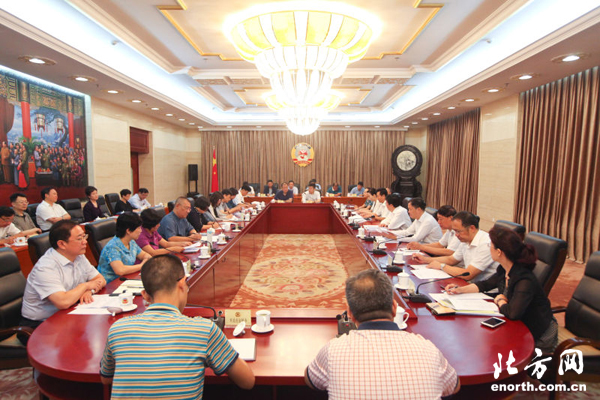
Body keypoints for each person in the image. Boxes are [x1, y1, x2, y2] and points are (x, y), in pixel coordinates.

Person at [100, 254, 255, 397]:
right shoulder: (203, 330)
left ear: (145, 295)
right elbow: (247, 381)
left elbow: (106, 379)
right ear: (182, 283)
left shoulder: (117, 329)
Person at [305, 269, 459, 399]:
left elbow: (311, 380)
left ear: (350, 314)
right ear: (394, 308)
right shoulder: (428, 349)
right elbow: (454, 387)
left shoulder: (334, 350)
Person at [445, 227, 558, 353]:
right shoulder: (505, 268)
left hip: (538, 335)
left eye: (490, 245)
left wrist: (500, 300)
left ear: (499, 252)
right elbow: (485, 284)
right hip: (518, 324)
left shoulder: (524, 280)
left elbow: (513, 313)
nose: (489, 248)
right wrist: (460, 290)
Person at [21, 220, 106, 329]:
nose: (85, 241)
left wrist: (89, 291)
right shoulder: (45, 267)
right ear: (62, 244)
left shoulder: (78, 255)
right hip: (41, 324)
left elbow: (100, 279)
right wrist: (85, 286)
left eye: (84, 236)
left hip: (69, 312)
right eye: (79, 239)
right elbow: (63, 302)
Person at [413, 211, 498, 282]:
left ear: (472, 228)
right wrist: (425, 260)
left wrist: (442, 266)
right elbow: (452, 259)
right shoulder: (465, 239)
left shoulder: (486, 244)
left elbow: (468, 274)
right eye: (455, 231)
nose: (456, 235)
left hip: (485, 292)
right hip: (470, 284)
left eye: (458, 231)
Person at [97, 213, 151, 283]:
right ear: (128, 231)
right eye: (138, 228)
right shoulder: (112, 247)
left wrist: (145, 261)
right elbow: (120, 270)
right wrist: (141, 266)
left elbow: (146, 255)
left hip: (126, 279)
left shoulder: (131, 242)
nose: (141, 231)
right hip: (111, 284)